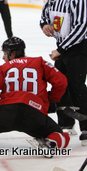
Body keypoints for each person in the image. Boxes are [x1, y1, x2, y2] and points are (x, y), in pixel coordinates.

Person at [40, 0, 87, 146]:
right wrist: (45, 25)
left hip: (79, 48)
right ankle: (66, 123)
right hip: (62, 47)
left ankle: (86, 128)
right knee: (59, 84)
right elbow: (44, 17)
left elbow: (82, 26)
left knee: (76, 85)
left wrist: (61, 49)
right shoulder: (51, 1)